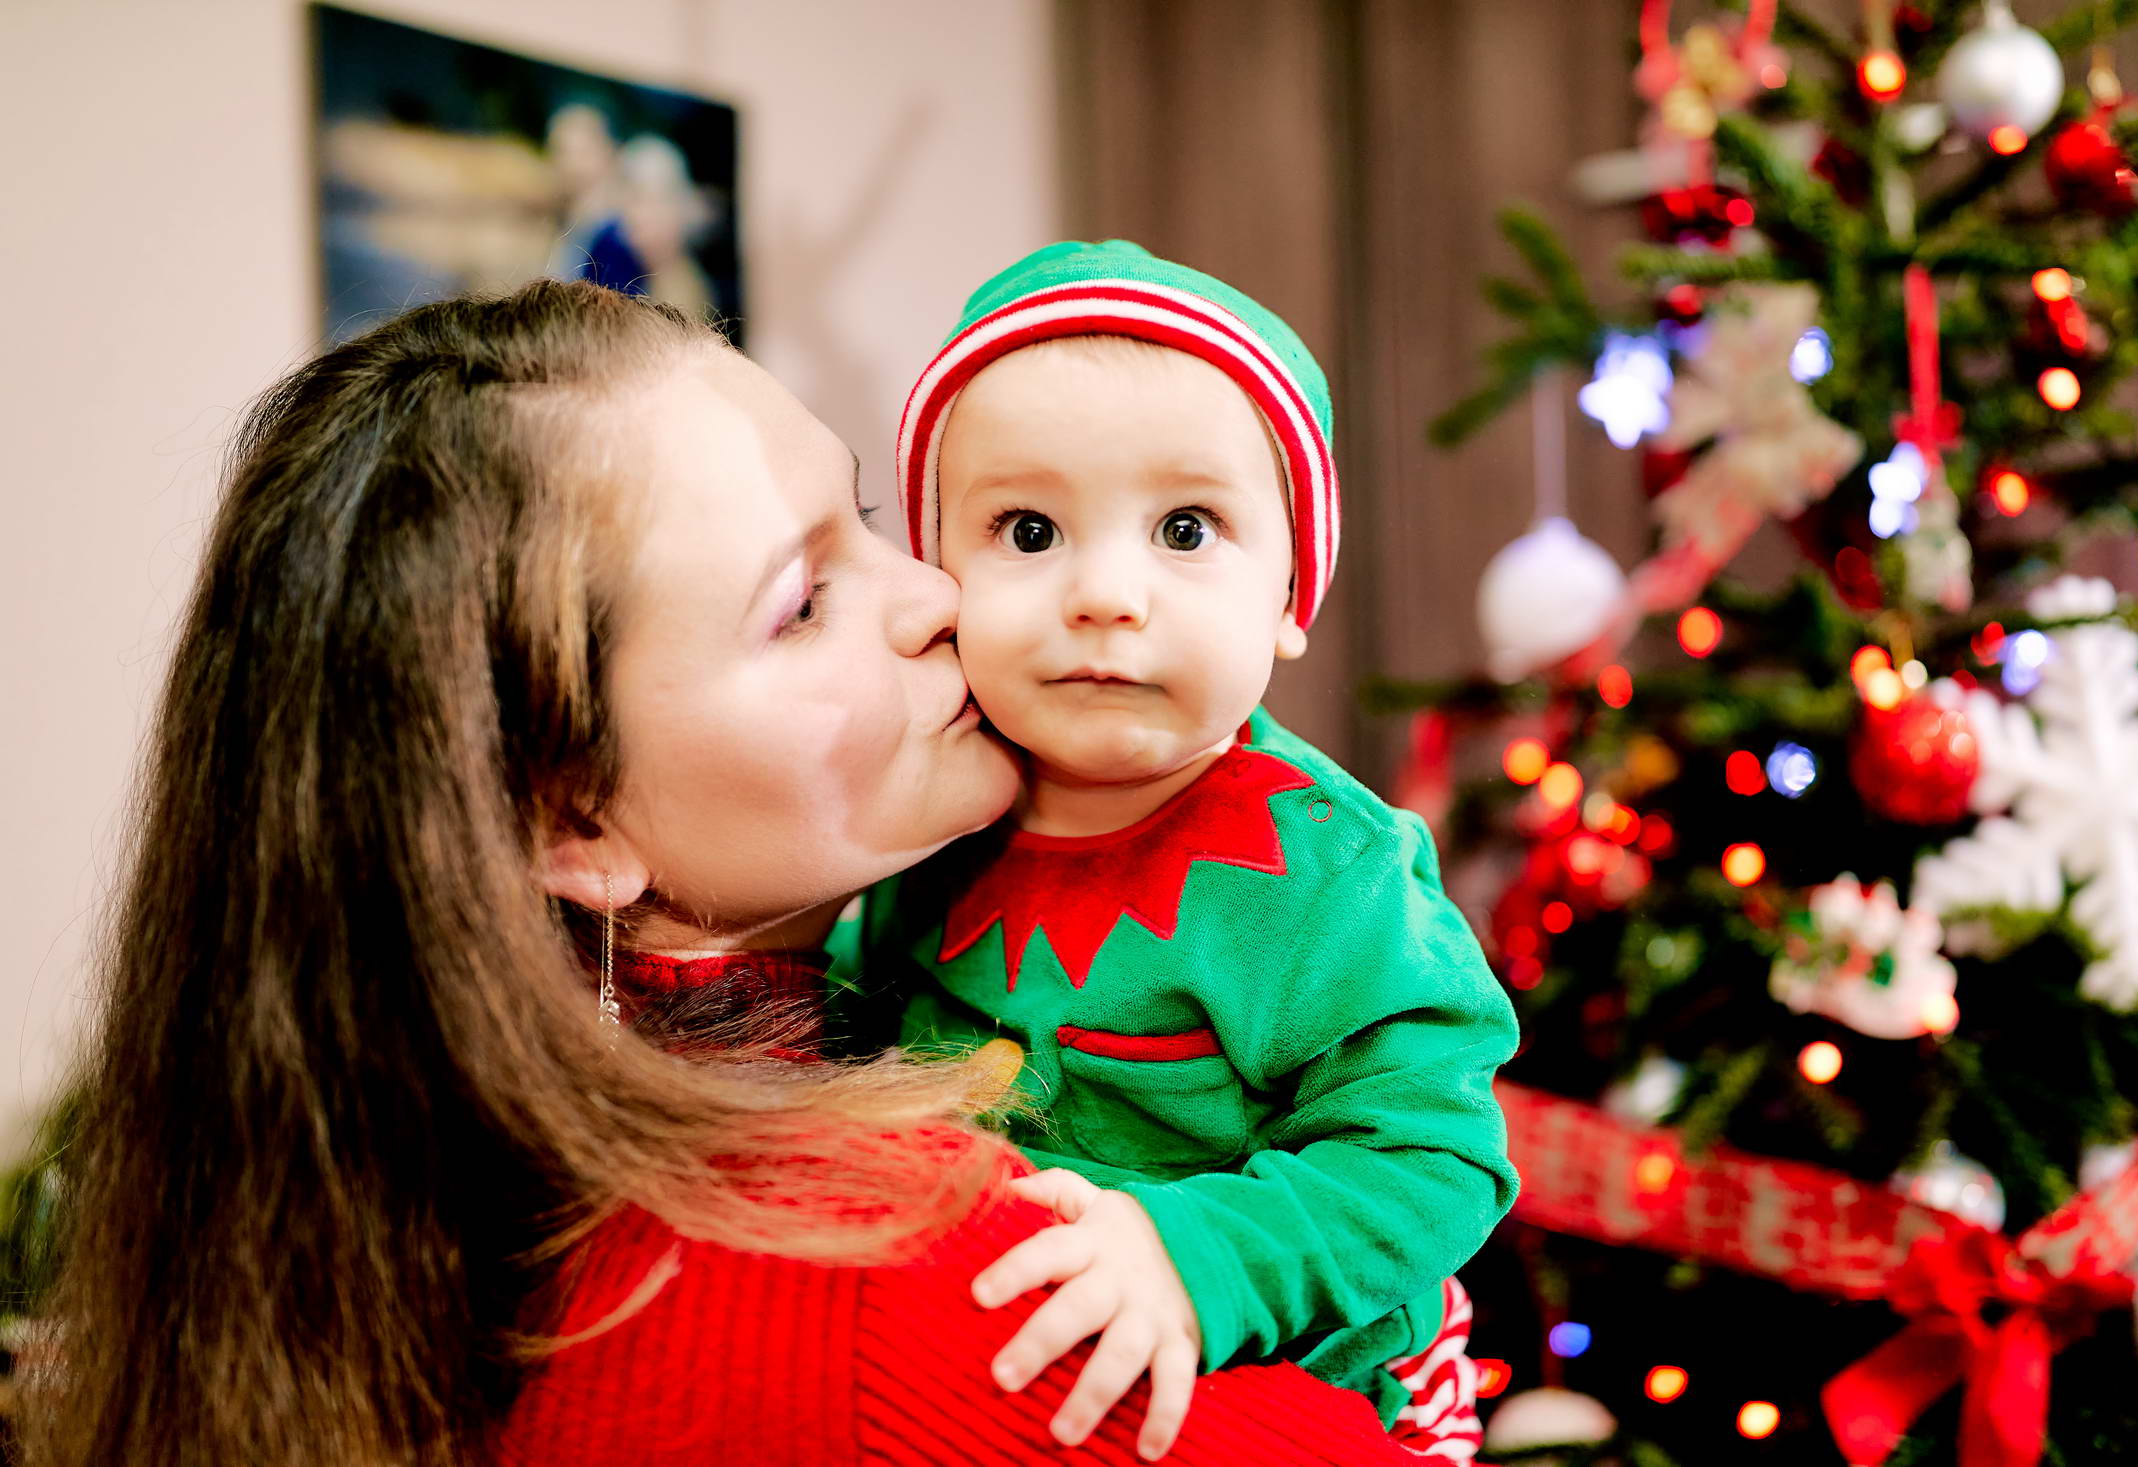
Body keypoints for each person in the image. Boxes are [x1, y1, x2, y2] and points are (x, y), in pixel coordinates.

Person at [24, 278, 1424, 1467]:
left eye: (871, 516)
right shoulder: (872, 1271)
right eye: (805, 599)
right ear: (574, 823)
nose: (937, 594)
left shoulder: (427, 1171)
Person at [838, 241, 1520, 1460]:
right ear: (939, 578)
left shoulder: (1330, 875)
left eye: (1187, 528)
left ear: (1288, 598)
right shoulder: (929, 809)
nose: (1106, 593)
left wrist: (1198, 1256)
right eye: (1029, 529)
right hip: (998, 1356)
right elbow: (857, 1017)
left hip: (1315, 1381)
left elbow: (1434, 1156)